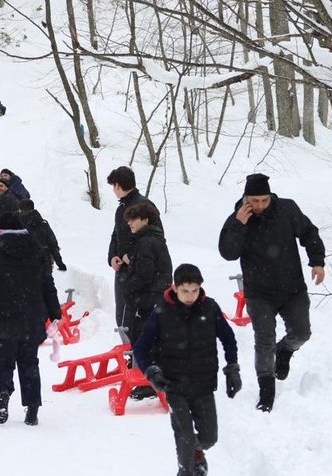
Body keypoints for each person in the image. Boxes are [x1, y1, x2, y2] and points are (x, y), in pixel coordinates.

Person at [218, 173, 325, 413]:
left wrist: (317, 261)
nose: (259, 206)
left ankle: (285, 350)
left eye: (264, 200)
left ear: (270, 196)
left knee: (302, 333)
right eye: (254, 201)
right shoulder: (238, 218)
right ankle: (266, 391)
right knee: (263, 341)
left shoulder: (286, 209)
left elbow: (309, 232)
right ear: (246, 198)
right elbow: (228, 252)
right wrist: (238, 225)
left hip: (292, 288)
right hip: (259, 292)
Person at [134, 264, 242, 476]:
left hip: (203, 384)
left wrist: (232, 369)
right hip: (173, 384)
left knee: (209, 438)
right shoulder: (162, 312)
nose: (190, 296)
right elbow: (141, 348)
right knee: (184, 434)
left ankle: (197, 453)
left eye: (194, 290)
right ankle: (185, 470)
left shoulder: (210, 308)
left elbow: (229, 339)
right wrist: (152, 372)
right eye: (185, 291)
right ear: (175, 288)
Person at [0, 212, 62, 426]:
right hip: (31, 315)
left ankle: (3, 392)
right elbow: (47, 283)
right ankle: (32, 408)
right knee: (29, 362)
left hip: (0, 313)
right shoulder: (37, 248)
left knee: (2, 360)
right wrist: (54, 312)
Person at [120, 201, 172, 399]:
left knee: (146, 340)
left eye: (133, 220)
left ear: (145, 220)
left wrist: (128, 285)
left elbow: (145, 273)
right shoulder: (152, 239)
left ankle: (149, 383)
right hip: (156, 297)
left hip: (151, 299)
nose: (130, 224)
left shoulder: (146, 242)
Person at [106, 166, 163, 330]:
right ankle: (129, 353)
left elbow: (156, 239)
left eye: (113, 186)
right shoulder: (121, 208)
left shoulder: (145, 206)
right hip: (123, 271)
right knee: (123, 318)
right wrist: (113, 257)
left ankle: (140, 354)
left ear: (117, 185)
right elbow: (115, 235)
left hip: (143, 271)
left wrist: (131, 256)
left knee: (138, 318)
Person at [18, 199, 66, 272]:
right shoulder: (43, 224)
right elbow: (53, 244)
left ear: (20, 210)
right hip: (44, 263)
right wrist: (60, 263)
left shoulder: (18, 225)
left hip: (23, 264)